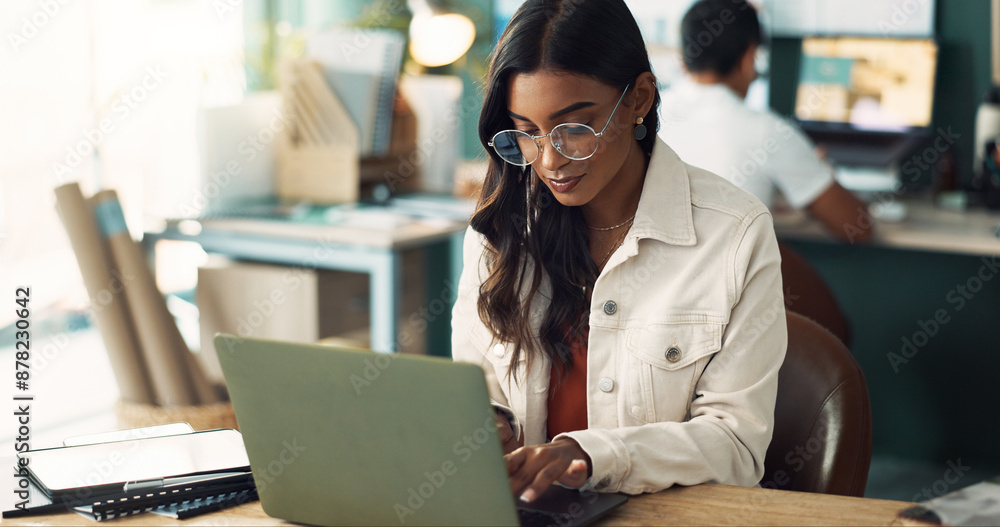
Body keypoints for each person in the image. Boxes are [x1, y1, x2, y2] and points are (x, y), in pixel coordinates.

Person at [451, 0, 787, 501]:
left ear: (639, 99)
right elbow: (474, 394)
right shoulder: (500, 233)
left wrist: (591, 457)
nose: (549, 160)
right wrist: (489, 424)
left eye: (574, 129)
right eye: (526, 132)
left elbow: (736, 446)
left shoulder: (735, 233)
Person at [660, 0, 873, 244]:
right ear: (750, 58)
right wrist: (816, 172)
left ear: (685, 59)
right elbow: (858, 226)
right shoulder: (769, 133)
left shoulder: (648, 115)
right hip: (731, 280)